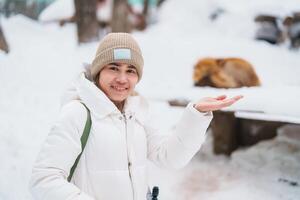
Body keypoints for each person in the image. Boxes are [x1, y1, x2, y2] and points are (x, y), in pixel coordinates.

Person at [29, 32, 243, 200]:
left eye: (131, 70)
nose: (122, 79)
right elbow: (44, 180)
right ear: (98, 71)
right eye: (114, 68)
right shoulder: (77, 113)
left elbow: (170, 157)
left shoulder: (137, 112)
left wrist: (196, 114)